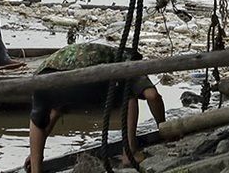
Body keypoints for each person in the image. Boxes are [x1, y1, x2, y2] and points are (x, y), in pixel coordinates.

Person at [26, 41, 165, 173]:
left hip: (43, 73)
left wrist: (35, 152)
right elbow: (152, 96)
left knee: (38, 118)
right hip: (84, 75)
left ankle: (35, 168)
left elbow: (53, 115)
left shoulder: (105, 52)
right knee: (129, 95)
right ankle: (129, 153)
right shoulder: (131, 62)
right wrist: (163, 128)